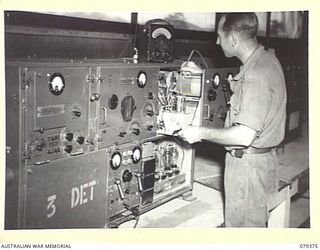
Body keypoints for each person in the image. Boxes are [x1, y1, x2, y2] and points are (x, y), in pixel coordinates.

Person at [177, 12, 287, 227]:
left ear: (233, 39)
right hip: (259, 164)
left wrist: (198, 132)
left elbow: (243, 135)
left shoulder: (256, 76)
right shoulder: (265, 61)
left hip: (248, 171)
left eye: (220, 36)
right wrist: (202, 75)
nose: (217, 41)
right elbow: (243, 96)